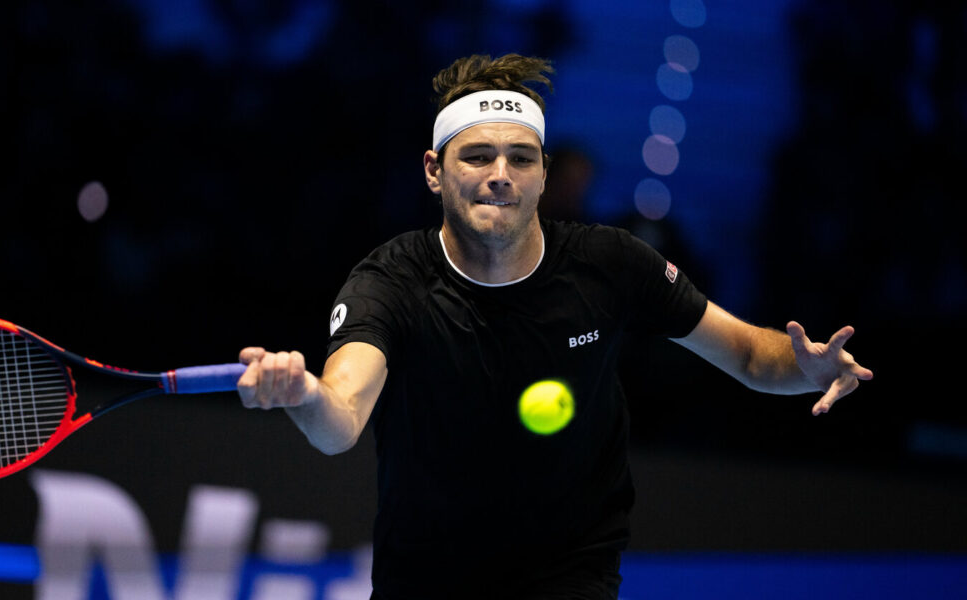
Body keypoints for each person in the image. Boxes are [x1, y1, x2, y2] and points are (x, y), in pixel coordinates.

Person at [236, 54, 873, 599]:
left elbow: (750, 356)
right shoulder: (391, 280)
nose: (500, 175)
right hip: (424, 574)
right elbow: (341, 416)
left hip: (570, 570)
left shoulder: (611, 264)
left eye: (520, 158)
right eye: (477, 156)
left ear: (543, 173)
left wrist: (805, 367)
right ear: (434, 170)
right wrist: (305, 394)